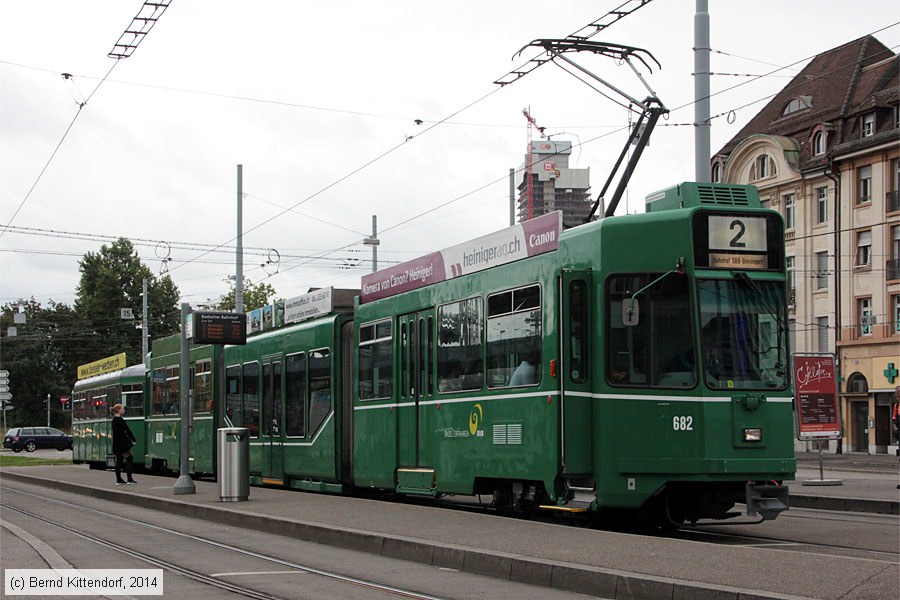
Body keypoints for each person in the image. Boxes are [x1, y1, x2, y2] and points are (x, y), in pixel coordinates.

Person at [111, 403, 137, 485]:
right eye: (122, 409)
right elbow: (127, 431)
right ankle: (129, 479)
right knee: (130, 459)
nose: (124, 410)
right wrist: (133, 440)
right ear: (118, 410)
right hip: (123, 444)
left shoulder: (114, 420)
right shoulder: (121, 420)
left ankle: (118, 480)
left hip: (116, 444)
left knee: (119, 461)